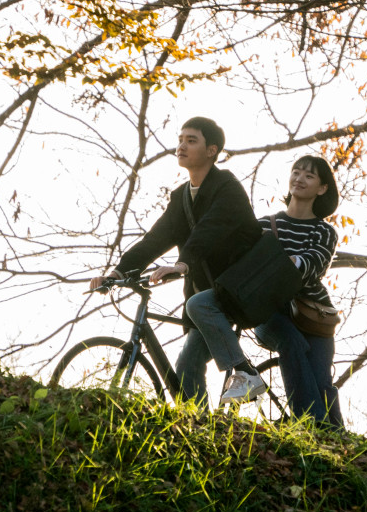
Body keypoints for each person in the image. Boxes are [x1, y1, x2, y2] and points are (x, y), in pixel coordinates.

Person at [88, 117, 267, 406]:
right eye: (180, 139)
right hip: (206, 297)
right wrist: (118, 272)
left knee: (188, 363)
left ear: (211, 150)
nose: (181, 146)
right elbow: (155, 239)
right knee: (188, 366)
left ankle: (246, 374)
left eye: (191, 140)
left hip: (238, 289)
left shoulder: (227, 188)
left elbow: (209, 230)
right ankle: (198, 426)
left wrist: (182, 264)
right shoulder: (182, 196)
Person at [253, 155, 344, 427]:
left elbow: (313, 265)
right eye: (296, 171)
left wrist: (280, 263)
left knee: (322, 382)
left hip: (313, 314)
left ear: (322, 188)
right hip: (269, 312)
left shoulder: (324, 231)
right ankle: (314, 430)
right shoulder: (264, 225)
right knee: (291, 343)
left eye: (309, 175)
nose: (299, 178)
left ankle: (338, 442)